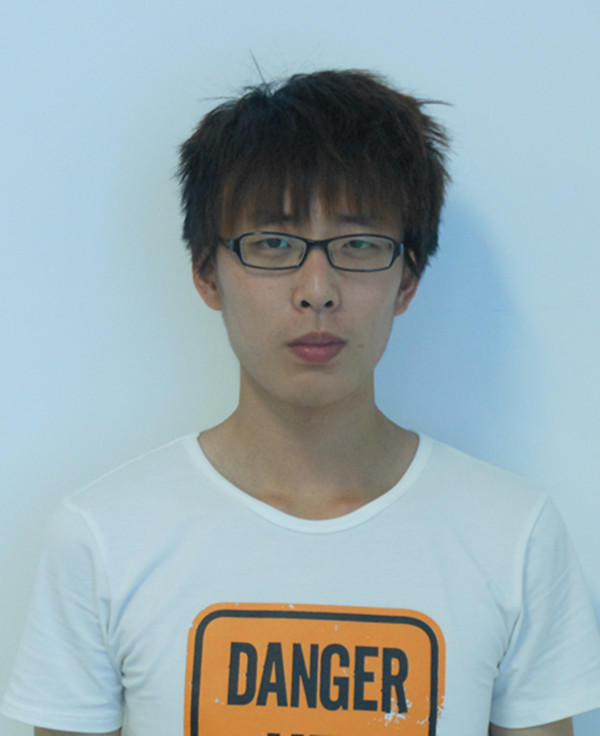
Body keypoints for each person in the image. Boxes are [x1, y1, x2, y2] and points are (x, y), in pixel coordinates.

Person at [2, 69, 600, 736]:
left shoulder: (512, 535)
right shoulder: (103, 535)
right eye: (274, 243)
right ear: (207, 273)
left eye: (359, 245)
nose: (317, 290)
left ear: (407, 280)